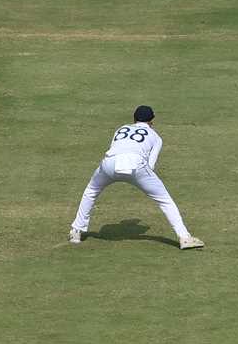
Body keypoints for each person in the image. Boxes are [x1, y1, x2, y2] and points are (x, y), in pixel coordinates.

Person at [68, 105, 205, 250]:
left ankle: (76, 231)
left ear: (134, 119)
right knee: (165, 200)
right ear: (152, 121)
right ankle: (184, 238)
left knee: (91, 191)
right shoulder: (155, 137)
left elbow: (116, 148)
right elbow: (150, 165)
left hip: (109, 164)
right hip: (136, 165)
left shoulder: (121, 128)